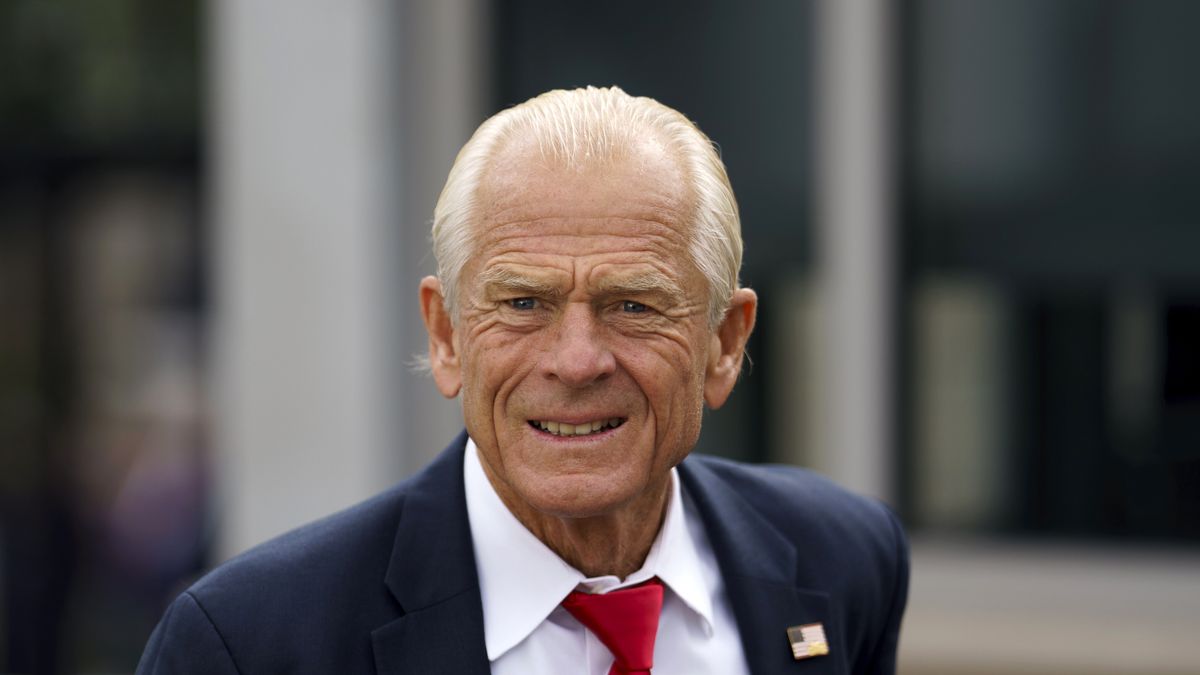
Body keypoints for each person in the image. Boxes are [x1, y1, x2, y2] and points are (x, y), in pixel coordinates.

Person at [137, 86, 908, 675]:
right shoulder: (250, 642)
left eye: (632, 304)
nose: (576, 360)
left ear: (724, 343)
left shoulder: (842, 558)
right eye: (524, 303)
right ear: (447, 336)